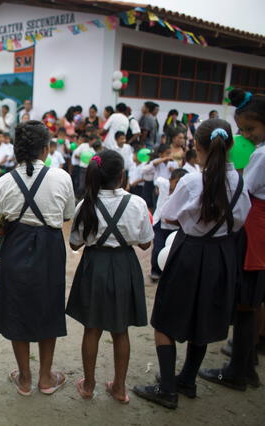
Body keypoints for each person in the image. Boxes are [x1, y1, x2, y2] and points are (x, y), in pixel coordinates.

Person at [133, 118, 251, 409]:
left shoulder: (191, 181)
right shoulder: (239, 182)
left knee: (164, 319)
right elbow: (241, 220)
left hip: (190, 253)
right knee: (204, 318)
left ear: (196, 147)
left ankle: (168, 389)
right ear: (231, 146)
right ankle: (187, 379)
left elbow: (169, 216)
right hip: (221, 255)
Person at [0, 120, 75, 397]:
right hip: (49, 247)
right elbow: (66, 215)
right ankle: (45, 378)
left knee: (16, 308)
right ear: (46, 149)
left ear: (16, 150)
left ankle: (24, 378)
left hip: (15, 245)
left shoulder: (4, 181)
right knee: (49, 308)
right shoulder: (62, 178)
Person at [67, 150, 153, 403]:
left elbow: (74, 244)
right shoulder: (137, 203)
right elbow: (146, 244)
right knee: (120, 329)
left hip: (94, 266)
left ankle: (89, 385)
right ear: (122, 175)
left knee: (91, 328)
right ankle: (119, 387)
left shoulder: (85, 205)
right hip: (125, 265)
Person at [198, 89, 265, 390]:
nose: (246, 135)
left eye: (250, 129)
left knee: (245, 302)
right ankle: (247, 363)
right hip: (259, 227)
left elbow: (243, 188)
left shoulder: (261, 154)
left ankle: (238, 370)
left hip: (254, 230)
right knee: (252, 300)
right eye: (242, 130)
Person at [149, 168, 189, 282]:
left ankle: (170, 273)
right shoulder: (163, 184)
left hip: (175, 226)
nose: (178, 185)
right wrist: (156, 189)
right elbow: (157, 180)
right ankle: (155, 271)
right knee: (157, 247)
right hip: (160, 224)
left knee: (173, 250)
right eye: (176, 182)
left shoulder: (184, 192)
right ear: (170, 180)